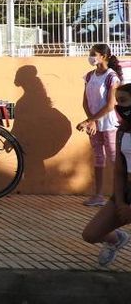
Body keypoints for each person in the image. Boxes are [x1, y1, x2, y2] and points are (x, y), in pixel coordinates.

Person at [82, 82, 131, 266]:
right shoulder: (122, 132)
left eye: (124, 101)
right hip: (126, 190)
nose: (119, 107)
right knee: (90, 234)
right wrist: (120, 202)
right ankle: (115, 240)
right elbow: (119, 171)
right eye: (117, 102)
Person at [77, 43, 123, 207]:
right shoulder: (89, 76)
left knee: (114, 158)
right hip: (94, 125)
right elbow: (85, 101)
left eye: (93, 53)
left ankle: (119, 195)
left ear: (103, 56)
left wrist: (91, 120)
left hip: (109, 124)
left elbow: (111, 104)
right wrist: (91, 120)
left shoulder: (112, 77)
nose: (90, 56)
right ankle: (98, 195)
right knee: (98, 158)